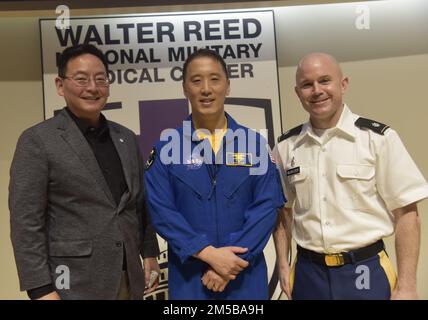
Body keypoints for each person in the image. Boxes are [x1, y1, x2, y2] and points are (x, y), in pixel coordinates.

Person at [9, 44, 160, 300]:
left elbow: (138, 204)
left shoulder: (125, 137)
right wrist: (41, 289)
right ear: (60, 85)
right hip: (71, 283)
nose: (92, 87)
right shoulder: (38, 140)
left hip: (128, 277)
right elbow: (25, 222)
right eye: (81, 79)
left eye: (100, 79)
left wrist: (149, 253)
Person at [272, 52, 428, 300]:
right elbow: (283, 211)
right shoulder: (286, 147)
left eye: (325, 80)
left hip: (365, 269)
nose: (316, 90)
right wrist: (282, 263)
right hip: (307, 273)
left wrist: (407, 285)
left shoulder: (378, 139)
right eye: (307, 84)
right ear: (298, 92)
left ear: (343, 84)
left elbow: (407, 214)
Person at [144, 49, 285, 299]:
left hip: (245, 278)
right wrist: (207, 253)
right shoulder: (167, 148)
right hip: (190, 280)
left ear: (227, 86)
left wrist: (228, 264)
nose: (206, 89)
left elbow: (266, 208)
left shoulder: (254, 145)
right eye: (196, 80)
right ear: (185, 88)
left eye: (215, 79)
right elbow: (161, 211)